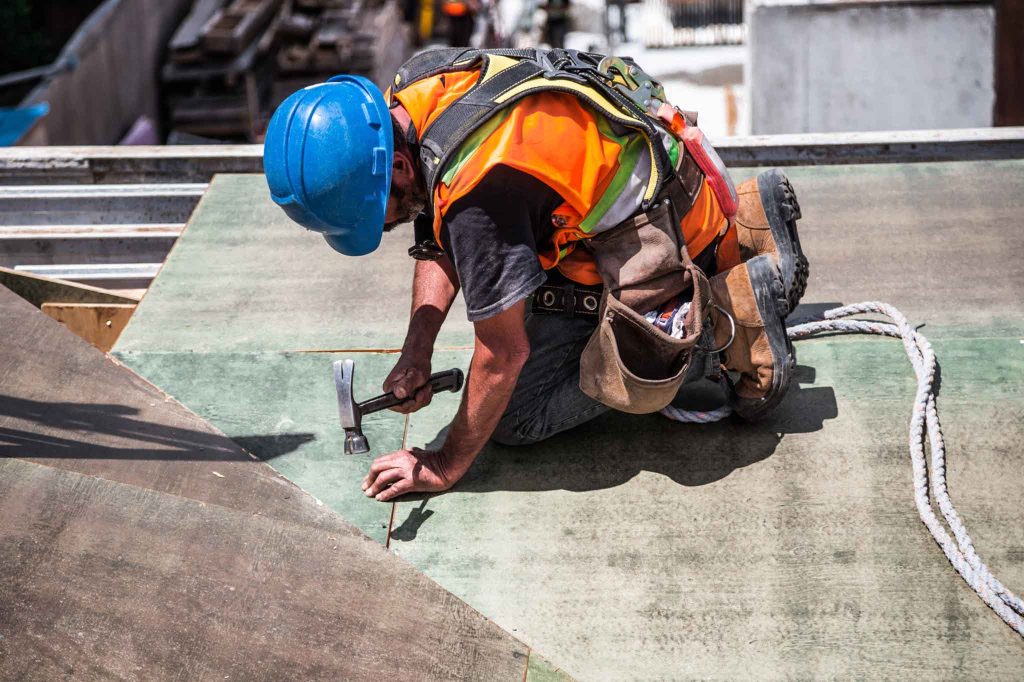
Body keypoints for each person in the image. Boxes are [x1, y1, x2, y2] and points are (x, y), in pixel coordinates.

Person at [263, 48, 808, 502]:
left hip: (662, 240)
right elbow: (436, 230)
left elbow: (503, 355)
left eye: (373, 216)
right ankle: (749, 227)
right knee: (509, 295)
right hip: (671, 185)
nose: (380, 230)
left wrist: (445, 463)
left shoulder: (480, 194)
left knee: (516, 417)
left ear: (398, 167)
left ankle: (725, 322)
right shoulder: (418, 88)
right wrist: (417, 350)